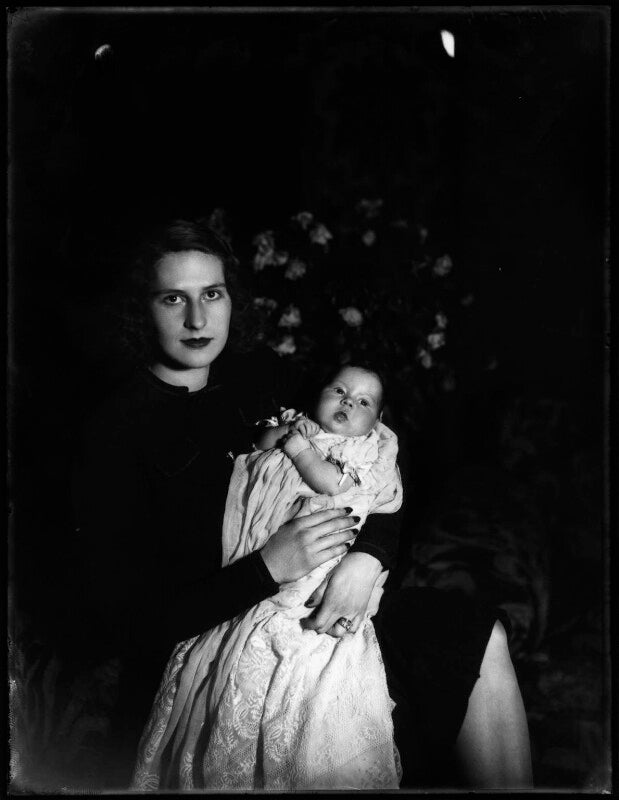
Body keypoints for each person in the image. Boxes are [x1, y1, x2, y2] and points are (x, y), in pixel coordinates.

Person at [72, 218, 532, 790]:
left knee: (479, 635)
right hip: (219, 635)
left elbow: (373, 446)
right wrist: (268, 567)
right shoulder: (113, 432)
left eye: (212, 294)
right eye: (173, 298)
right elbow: (130, 621)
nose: (197, 320)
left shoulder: (260, 373)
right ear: (139, 309)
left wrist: (369, 558)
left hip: (325, 599)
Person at [132, 365, 403, 790]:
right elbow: (259, 443)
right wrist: (284, 434)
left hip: (323, 560)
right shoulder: (295, 421)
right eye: (338, 391)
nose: (348, 402)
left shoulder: (362, 451)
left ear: (378, 420)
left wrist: (369, 558)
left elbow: (354, 490)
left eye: (363, 402)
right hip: (246, 576)